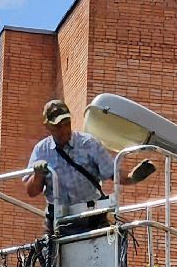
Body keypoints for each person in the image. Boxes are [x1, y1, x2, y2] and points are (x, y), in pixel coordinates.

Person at [23, 98, 154, 232]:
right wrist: (38, 175)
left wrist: (132, 177)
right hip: (59, 222)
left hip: (92, 216)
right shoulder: (41, 150)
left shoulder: (88, 144)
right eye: (57, 126)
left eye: (66, 124)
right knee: (49, 251)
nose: (64, 130)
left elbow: (113, 174)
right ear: (48, 126)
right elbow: (31, 191)